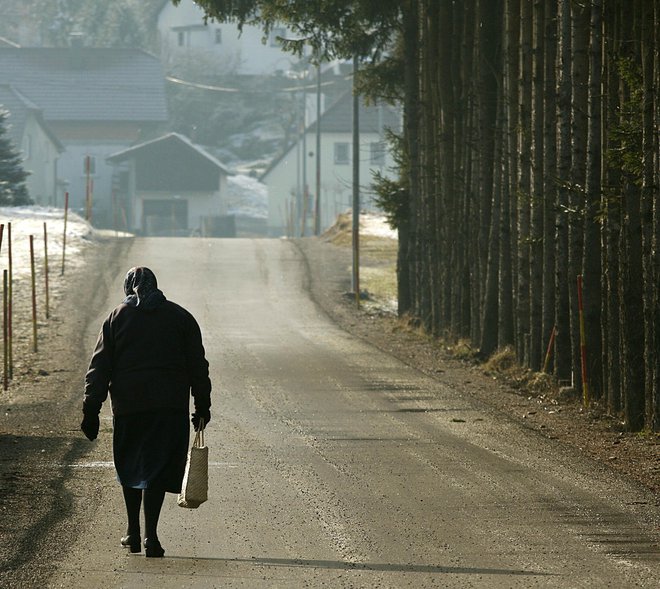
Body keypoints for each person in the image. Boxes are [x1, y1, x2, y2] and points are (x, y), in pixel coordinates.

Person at [80, 266, 211, 558]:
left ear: (128, 287)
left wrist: (91, 408)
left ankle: (133, 533)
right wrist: (202, 405)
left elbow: (99, 368)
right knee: (157, 469)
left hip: (130, 408)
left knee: (130, 467)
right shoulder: (181, 318)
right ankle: (151, 536)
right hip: (170, 408)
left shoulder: (116, 319)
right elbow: (198, 366)